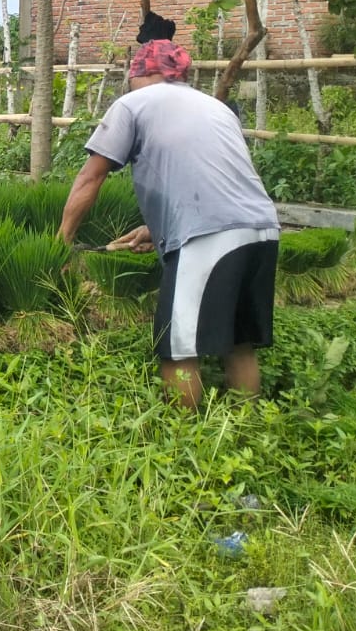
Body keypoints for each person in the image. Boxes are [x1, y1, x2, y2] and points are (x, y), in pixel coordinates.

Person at [57, 38, 280, 409]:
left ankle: (181, 443)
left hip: (210, 236)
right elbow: (212, 177)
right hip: (263, 230)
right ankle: (248, 429)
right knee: (238, 342)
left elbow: (91, 178)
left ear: (144, 72)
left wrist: (61, 241)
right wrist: (156, 229)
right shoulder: (216, 107)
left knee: (177, 349)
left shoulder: (133, 103)